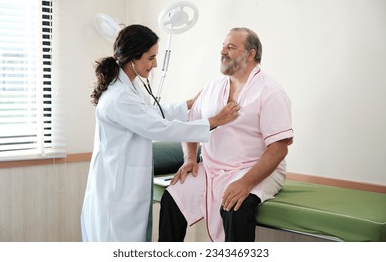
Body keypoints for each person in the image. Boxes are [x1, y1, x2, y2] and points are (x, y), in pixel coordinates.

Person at [80, 24, 240, 242]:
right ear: (132, 59)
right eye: (150, 58)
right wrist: (213, 121)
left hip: (127, 187)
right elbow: (159, 128)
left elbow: (153, 113)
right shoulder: (119, 97)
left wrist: (190, 104)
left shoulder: (131, 88)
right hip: (115, 195)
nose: (155, 64)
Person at [158, 27, 294, 242]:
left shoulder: (270, 92)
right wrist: (190, 159)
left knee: (236, 207)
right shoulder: (213, 87)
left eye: (231, 47)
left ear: (250, 54)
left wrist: (246, 183)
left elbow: (279, 148)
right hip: (213, 167)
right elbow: (191, 124)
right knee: (173, 197)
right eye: (223, 46)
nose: (223, 51)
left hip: (253, 168)